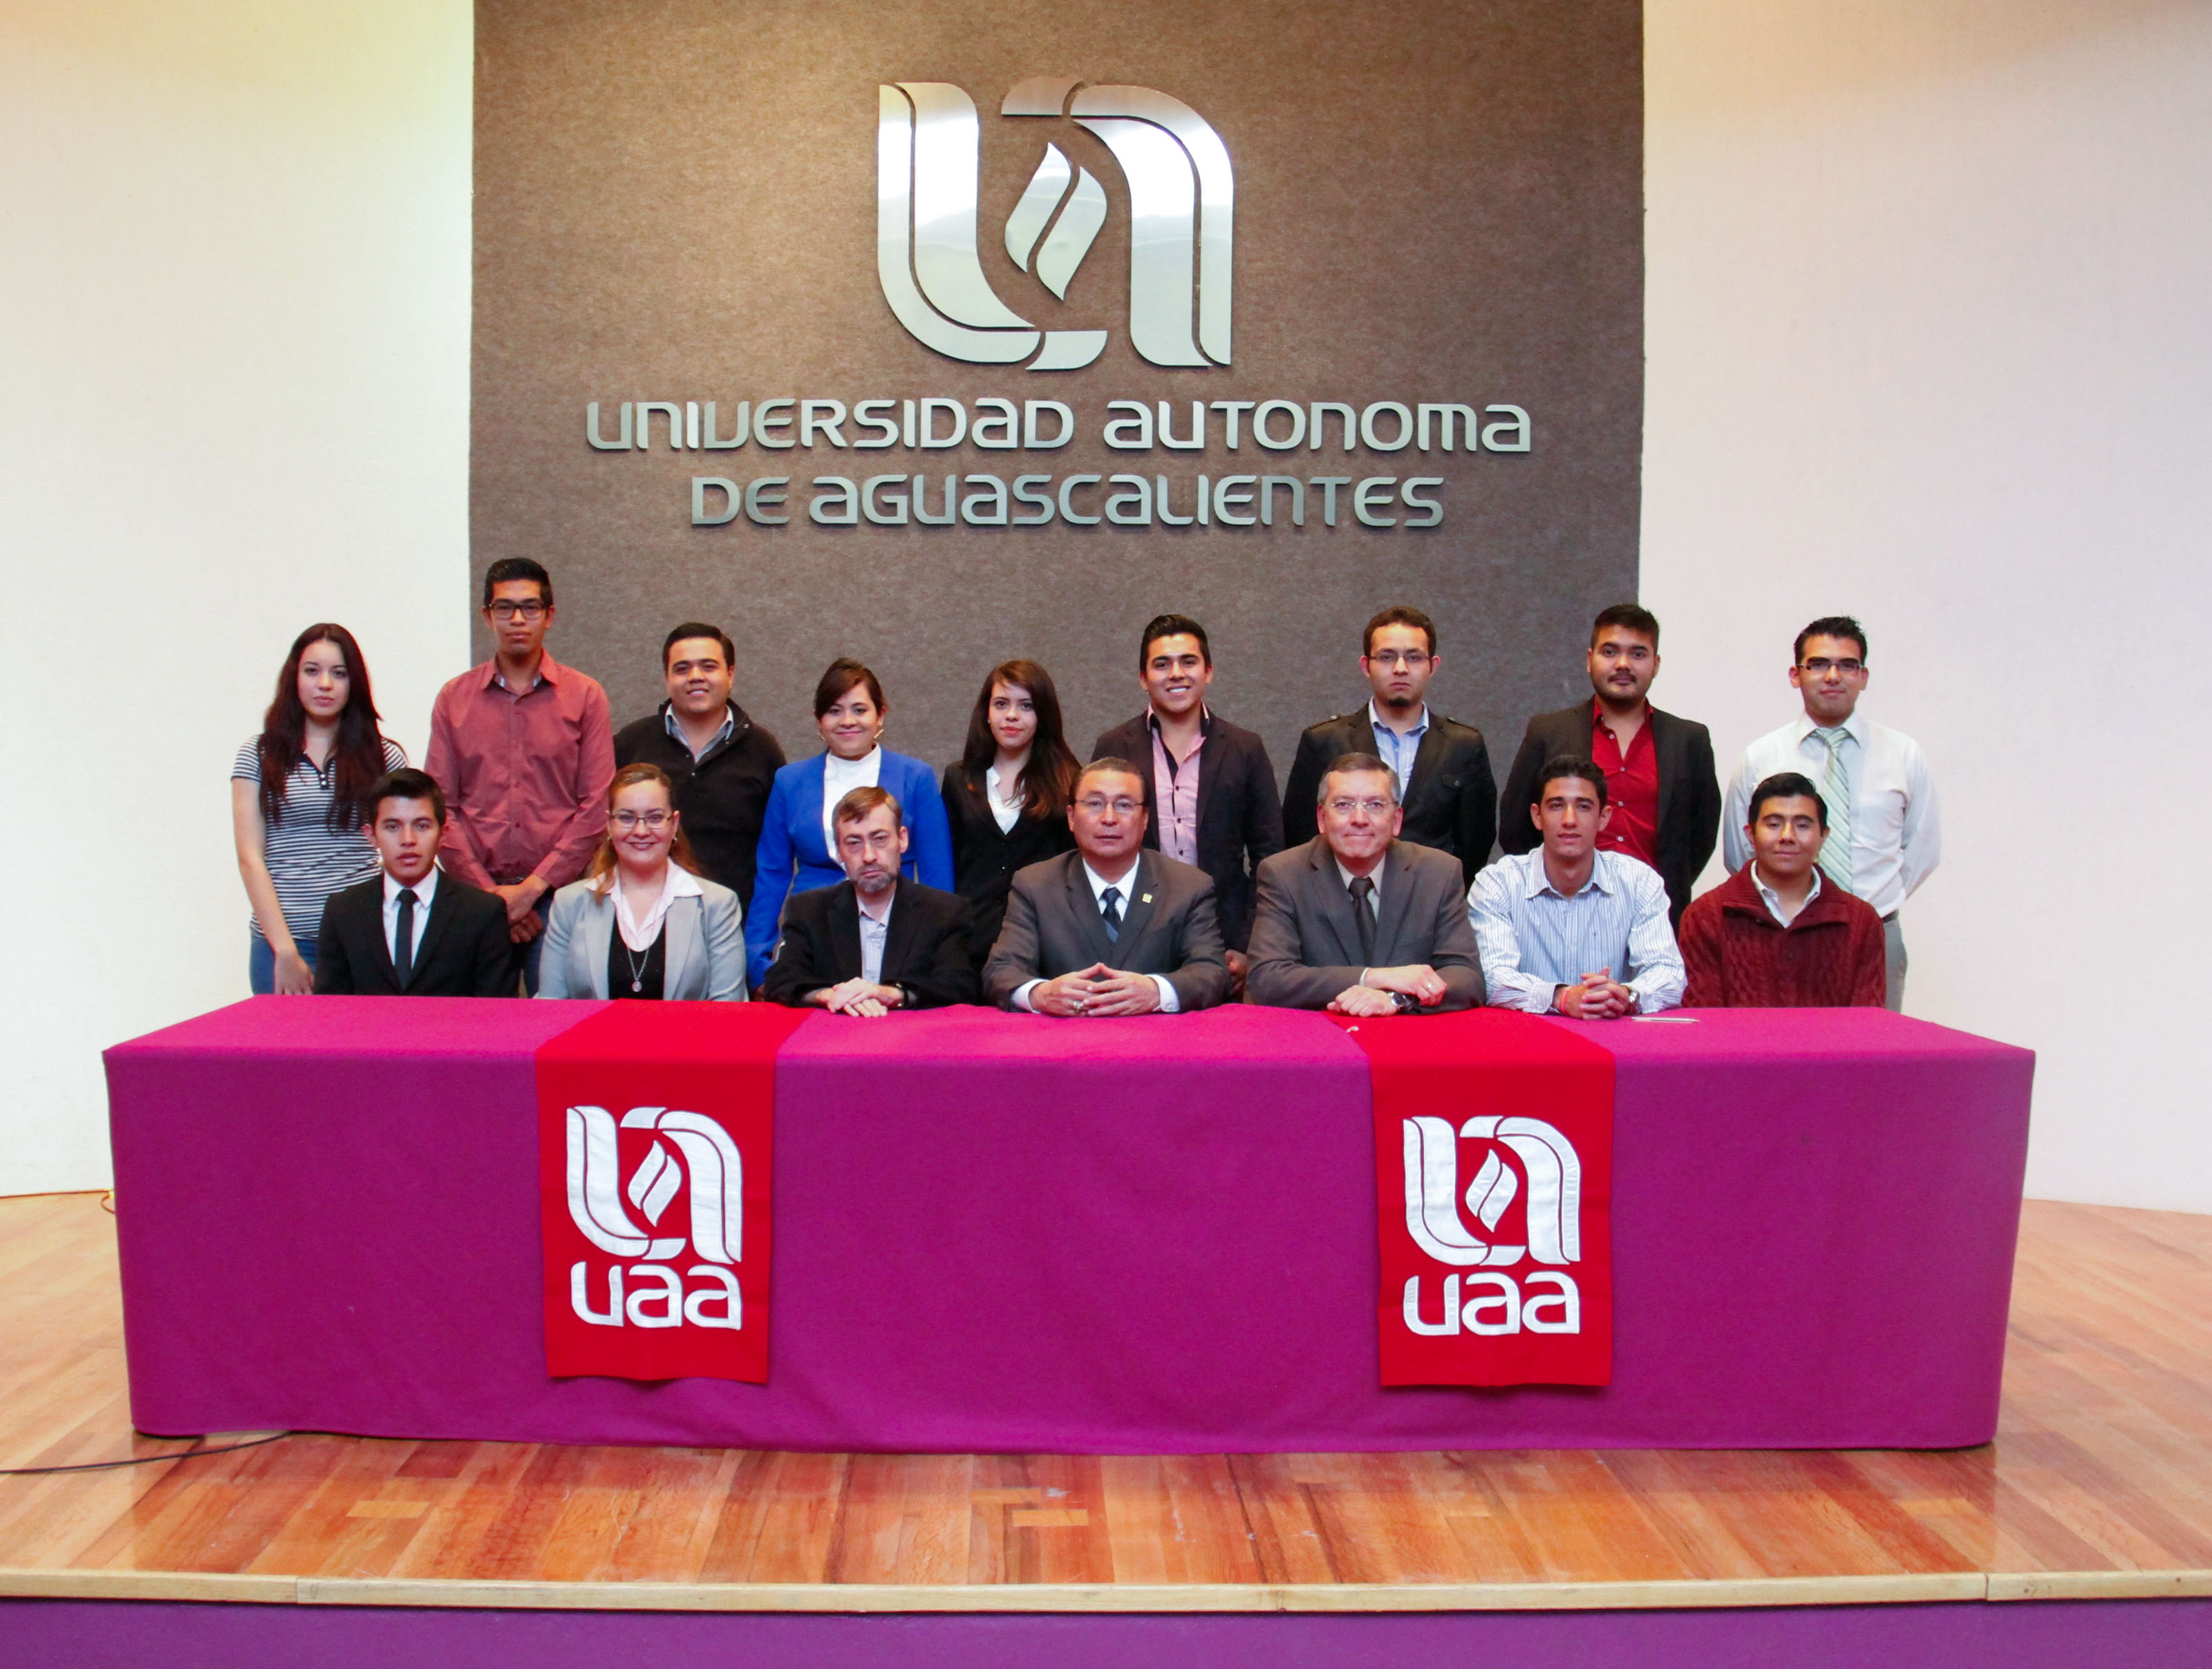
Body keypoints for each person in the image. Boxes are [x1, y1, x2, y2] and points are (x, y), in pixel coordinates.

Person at [1724, 616, 1938, 1013]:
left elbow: (1923, 850)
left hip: (1877, 933)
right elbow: (1741, 852)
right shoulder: (1761, 757)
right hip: (1779, 934)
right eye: (1819, 664)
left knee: (1874, 1049)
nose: (1833, 676)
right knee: (1779, 1047)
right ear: (1796, 675)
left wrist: (1868, 910)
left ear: (1864, 676)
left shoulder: (1903, 755)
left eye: (1847, 665)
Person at [425, 558, 615, 994]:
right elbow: (439, 807)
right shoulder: (453, 699)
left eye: (530, 607)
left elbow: (596, 805)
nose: (517, 619)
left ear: (550, 615)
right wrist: (490, 896)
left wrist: (531, 890)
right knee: (475, 1027)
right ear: (486, 616)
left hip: (558, 899)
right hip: (472, 900)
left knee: (559, 1024)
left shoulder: (585, 696)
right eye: (504, 608)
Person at [1496, 604, 1721, 927]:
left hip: (1656, 919)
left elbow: (1702, 836)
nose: (1623, 664)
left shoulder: (1688, 740)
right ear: (1590, 660)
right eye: (1610, 652)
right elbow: (1516, 827)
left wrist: (1659, 891)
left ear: (1656, 664)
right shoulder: (1549, 732)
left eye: (1638, 654)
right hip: (1560, 916)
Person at [1091, 615, 1282, 985]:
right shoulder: (1113, 746)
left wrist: (1250, 945)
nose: (1176, 674)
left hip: (1223, 938)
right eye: (1162, 664)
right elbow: (1096, 848)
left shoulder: (1245, 749)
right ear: (1143, 678)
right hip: (1133, 939)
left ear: (1208, 672)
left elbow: (1269, 856)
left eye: (1188, 662)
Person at [745, 658, 954, 989]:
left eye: (860, 710)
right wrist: (758, 962)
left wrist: (940, 955)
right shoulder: (789, 782)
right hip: (812, 939)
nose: (847, 721)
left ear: (880, 715)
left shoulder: (916, 778)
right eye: (834, 711)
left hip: (898, 939)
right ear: (819, 720)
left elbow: (937, 876)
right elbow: (771, 875)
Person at [232, 624, 407, 994]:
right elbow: (250, 858)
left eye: (339, 673)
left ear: (354, 682)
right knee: (284, 1036)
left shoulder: (385, 756)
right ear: (293, 677)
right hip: (282, 943)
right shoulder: (257, 755)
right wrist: (285, 951)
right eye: (312, 671)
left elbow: (402, 846)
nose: (325, 684)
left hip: (364, 939)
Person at [983, 758, 1232, 1015]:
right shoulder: (1036, 885)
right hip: (1064, 1034)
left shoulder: (1188, 886)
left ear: (1145, 819)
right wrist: (1040, 994)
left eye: (1124, 805)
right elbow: (1002, 970)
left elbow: (1211, 972)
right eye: (1095, 804)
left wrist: (1157, 992)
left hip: (1156, 1035)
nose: (1109, 818)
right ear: (1071, 817)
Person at [1248, 754, 1485, 1015]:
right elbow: (1267, 979)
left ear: (1396, 820)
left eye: (1375, 805)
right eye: (1343, 805)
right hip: (1322, 1034)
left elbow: (1467, 978)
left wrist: (1396, 999)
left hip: (1410, 1035)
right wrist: (1371, 978)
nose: (1359, 819)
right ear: (1322, 818)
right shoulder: (1284, 874)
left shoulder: (1438, 873)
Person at [1280, 606, 1498, 886]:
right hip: (1342, 898)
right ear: (1366, 666)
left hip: (1431, 898)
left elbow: (1476, 841)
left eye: (1414, 657)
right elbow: (1300, 835)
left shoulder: (1464, 746)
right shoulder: (1324, 741)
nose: (1400, 668)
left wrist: (1441, 894)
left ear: (1433, 666)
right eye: (1386, 657)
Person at [1470, 756, 1685, 1017]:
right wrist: (1562, 997)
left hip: (1612, 1034)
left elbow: (1668, 973)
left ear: (1603, 818)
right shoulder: (1498, 883)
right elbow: (1491, 977)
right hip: (1527, 1035)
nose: (1570, 820)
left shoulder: (1639, 881)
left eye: (1583, 807)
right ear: (1537, 816)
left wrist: (1625, 996)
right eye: (1557, 806)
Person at [612, 622, 787, 911]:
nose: (695, 677)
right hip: (642, 918)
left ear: (730, 674)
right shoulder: (631, 744)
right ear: (667, 678)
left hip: (733, 918)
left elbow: (777, 854)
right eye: (682, 669)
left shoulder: (761, 750)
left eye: (708, 666)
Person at [536, 763, 746, 1000]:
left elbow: (729, 1010)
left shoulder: (717, 906)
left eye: (655, 818)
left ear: (674, 824)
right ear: (609, 824)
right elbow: (551, 1007)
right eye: (626, 818)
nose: (641, 831)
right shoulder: (569, 904)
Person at [760, 787, 979, 1013]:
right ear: (839, 852)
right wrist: (829, 995)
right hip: (836, 1032)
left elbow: (959, 987)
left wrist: (891, 994)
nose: (869, 856)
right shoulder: (809, 910)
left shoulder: (945, 912)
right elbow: (781, 981)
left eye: (879, 839)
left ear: (902, 839)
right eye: (854, 843)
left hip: (913, 1033)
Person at [1680, 773, 1886, 1007]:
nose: (1787, 836)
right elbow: (1704, 1019)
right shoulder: (1705, 916)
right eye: (1774, 825)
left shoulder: (1861, 921)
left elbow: (1868, 1021)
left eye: (1802, 825)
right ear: (1751, 834)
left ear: (1823, 836)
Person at [312, 769, 514, 996]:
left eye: (422, 826)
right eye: (392, 827)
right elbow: (330, 1005)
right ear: (371, 836)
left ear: (443, 834)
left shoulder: (482, 912)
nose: (408, 840)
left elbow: (496, 1008)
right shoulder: (343, 911)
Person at [940, 659, 1080, 967]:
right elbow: (950, 862)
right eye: (1001, 704)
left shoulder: (1068, 781)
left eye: (1026, 705)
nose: (1012, 715)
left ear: (1043, 715)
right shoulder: (958, 778)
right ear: (987, 713)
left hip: (1042, 942)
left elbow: (1074, 870)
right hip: (970, 940)